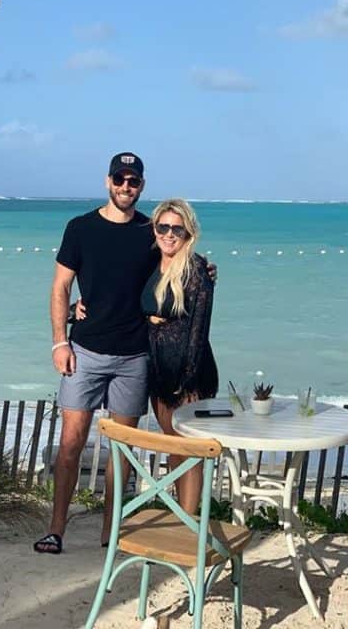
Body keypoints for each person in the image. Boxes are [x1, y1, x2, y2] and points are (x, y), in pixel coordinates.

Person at [34, 151, 155, 555]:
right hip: (84, 352)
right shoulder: (80, 228)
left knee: (122, 450)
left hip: (134, 357)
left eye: (133, 181)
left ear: (141, 185)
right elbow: (60, 287)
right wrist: (59, 340)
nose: (126, 187)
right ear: (107, 182)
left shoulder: (151, 231)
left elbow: (178, 263)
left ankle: (110, 534)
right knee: (70, 444)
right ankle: (56, 529)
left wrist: (206, 271)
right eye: (119, 179)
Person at [141, 198, 217, 514]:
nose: (169, 234)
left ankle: (189, 523)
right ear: (154, 228)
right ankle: (178, 517)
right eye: (163, 227)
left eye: (177, 228)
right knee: (173, 446)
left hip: (189, 377)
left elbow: (199, 328)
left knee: (191, 450)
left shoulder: (197, 269)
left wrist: (185, 381)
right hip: (157, 370)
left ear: (188, 232)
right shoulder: (148, 264)